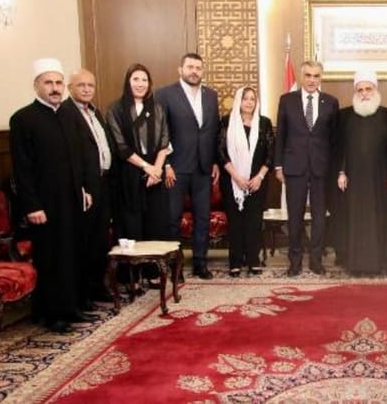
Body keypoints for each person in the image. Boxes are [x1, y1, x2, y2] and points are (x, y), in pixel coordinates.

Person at [9, 58, 95, 333]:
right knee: (52, 258)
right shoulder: (23, 119)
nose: (55, 88)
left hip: (72, 199)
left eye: (58, 83)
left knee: (72, 254)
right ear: (36, 86)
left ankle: (71, 308)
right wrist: (32, 205)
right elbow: (22, 168)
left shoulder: (70, 115)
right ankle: (51, 314)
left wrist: (84, 189)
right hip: (44, 204)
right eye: (49, 83)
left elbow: (79, 158)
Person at [156, 53, 220, 280]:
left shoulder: (211, 95)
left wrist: (214, 161)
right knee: (172, 219)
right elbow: (160, 131)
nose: (194, 71)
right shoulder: (164, 94)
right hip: (176, 168)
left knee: (202, 218)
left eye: (198, 68)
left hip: (203, 167)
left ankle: (200, 264)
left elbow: (213, 130)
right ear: (180, 69)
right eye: (190, 67)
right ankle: (175, 267)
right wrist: (166, 164)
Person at [335, 70, 387, 275]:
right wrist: (341, 172)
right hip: (353, 179)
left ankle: (381, 262)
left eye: (368, 89)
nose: (364, 93)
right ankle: (354, 263)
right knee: (355, 219)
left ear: (375, 89)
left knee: (379, 217)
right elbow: (341, 148)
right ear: (356, 91)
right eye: (360, 90)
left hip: (380, 178)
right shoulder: (345, 116)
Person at [274, 61, 339, 276]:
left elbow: (334, 140)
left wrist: (336, 170)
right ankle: (294, 261)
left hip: (321, 168)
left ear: (321, 78)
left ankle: (316, 260)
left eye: (316, 76)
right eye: (308, 75)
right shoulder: (287, 100)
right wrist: (278, 165)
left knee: (320, 217)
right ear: (302, 77)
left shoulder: (331, 102)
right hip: (294, 167)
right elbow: (281, 135)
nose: (312, 80)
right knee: (295, 216)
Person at [64, 68, 117, 306]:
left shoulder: (95, 112)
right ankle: (83, 293)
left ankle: (97, 287)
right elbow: (70, 157)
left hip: (103, 183)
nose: (86, 89)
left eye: (90, 85)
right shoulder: (66, 114)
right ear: (70, 88)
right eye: (81, 85)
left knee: (100, 239)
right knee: (84, 240)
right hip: (85, 187)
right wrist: (82, 186)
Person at [107, 63, 171, 248]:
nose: (140, 83)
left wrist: (157, 169)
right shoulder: (116, 109)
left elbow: (164, 141)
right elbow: (121, 146)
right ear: (128, 82)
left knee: (156, 225)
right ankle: (132, 266)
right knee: (131, 226)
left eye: (144, 80)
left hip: (155, 176)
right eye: (136, 79)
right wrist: (147, 167)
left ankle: (153, 265)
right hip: (129, 174)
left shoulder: (157, 108)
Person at [218, 86, 274, 277]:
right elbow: (220, 151)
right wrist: (236, 177)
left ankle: (253, 260)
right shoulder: (227, 121)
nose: (249, 102)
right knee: (235, 222)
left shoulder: (264, 123)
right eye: (245, 98)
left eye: (252, 99)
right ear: (238, 101)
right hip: (232, 180)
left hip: (257, 181)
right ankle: (235, 261)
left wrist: (259, 177)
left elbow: (270, 154)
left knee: (254, 221)